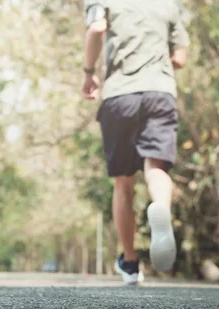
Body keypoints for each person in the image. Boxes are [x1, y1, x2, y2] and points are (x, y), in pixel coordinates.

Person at [81, 0, 190, 285]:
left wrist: (88, 72)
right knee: (156, 168)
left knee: (123, 181)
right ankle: (162, 208)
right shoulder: (169, 5)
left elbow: (96, 29)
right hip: (159, 92)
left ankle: (130, 263)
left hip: (121, 95)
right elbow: (179, 57)